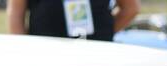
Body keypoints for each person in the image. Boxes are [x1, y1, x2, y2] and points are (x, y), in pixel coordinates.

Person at [7, 0, 138, 42]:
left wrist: (103, 35)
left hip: (97, 55)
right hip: (46, 56)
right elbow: (16, 15)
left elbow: (130, 9)